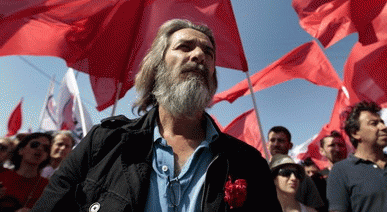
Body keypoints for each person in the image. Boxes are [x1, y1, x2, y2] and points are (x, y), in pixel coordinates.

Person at [32, 19, 282, 211]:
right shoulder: (104, 143)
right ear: (157, 66)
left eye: (208, 53)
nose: (199, 56)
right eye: (185, 47)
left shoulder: (248, 162)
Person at [327, 101, 387, 212]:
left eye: (382, 122)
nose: (384, 127)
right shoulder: (341, 171)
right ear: (355, 133)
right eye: (374, 124)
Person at [268, 126, 325, 211]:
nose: (276, 144)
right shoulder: (259, 173)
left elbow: (317, 208)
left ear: (290, 145)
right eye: (272, 140)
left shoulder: (305, 179)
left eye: (281, 141)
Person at [0, 132, 52, 212]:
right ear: (21, 150)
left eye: (46, 148)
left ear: (46, 156)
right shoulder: (2, 174)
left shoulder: (48, 188)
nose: (40, 149)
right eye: (34, 144)